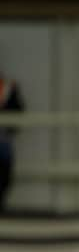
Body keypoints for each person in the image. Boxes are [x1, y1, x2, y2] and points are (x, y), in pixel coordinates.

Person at [0, 76, 24, 213]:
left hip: (4, 143)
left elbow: (18, 111)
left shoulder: (8, 89)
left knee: (5, 176)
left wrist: (14, 94)